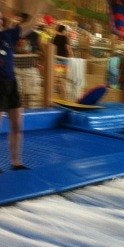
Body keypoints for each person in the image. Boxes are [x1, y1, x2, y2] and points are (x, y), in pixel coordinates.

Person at [0, 7, 44, 171]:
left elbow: (30, 26)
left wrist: (39, 9)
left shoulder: (7, 35)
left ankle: (16, 162)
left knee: (17, 124)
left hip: (11, 83)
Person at [52, 24, 73, 98]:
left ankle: (59, 92)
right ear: (63, 30)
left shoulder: (55, 37)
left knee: (58, 76)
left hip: (57, 59)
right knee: (63, 77)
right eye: (65, 30)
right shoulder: (65, 38)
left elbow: (53, 48)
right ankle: (64, 95)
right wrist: (72, 57)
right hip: (64, 59)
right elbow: (68, 48)